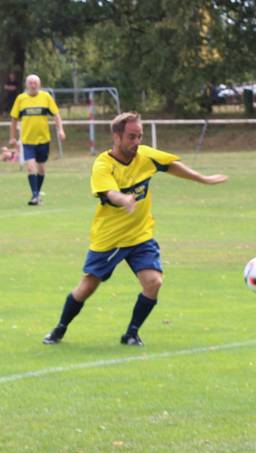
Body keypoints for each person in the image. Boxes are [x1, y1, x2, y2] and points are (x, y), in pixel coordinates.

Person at [42, 112, 228, 346]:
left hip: (140, 235)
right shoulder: (103, 164)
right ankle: (60, 328)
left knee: (154, 282)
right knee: (87, 287)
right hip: (110, 239)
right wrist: (124, 199)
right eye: (131, 136)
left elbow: (169, 165)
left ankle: (131, 333)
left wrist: (203, 179)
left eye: (139, 136)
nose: (137, 141)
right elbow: (108, 193)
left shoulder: (145, 155)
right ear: (117, 136)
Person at [8, 74, 66, 206]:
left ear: (39, 85)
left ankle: (37, 194)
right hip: (27, 141)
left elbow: (56, 115)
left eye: (35, 83)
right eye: (30, 83)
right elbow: (14, 119)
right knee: (31, 167)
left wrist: (60, 130)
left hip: (44, 140)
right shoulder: (20, 99)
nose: (33, 85)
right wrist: (12, 137)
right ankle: (35, 195)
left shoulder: (46, 97)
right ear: (26, 85)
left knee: (41, 169)